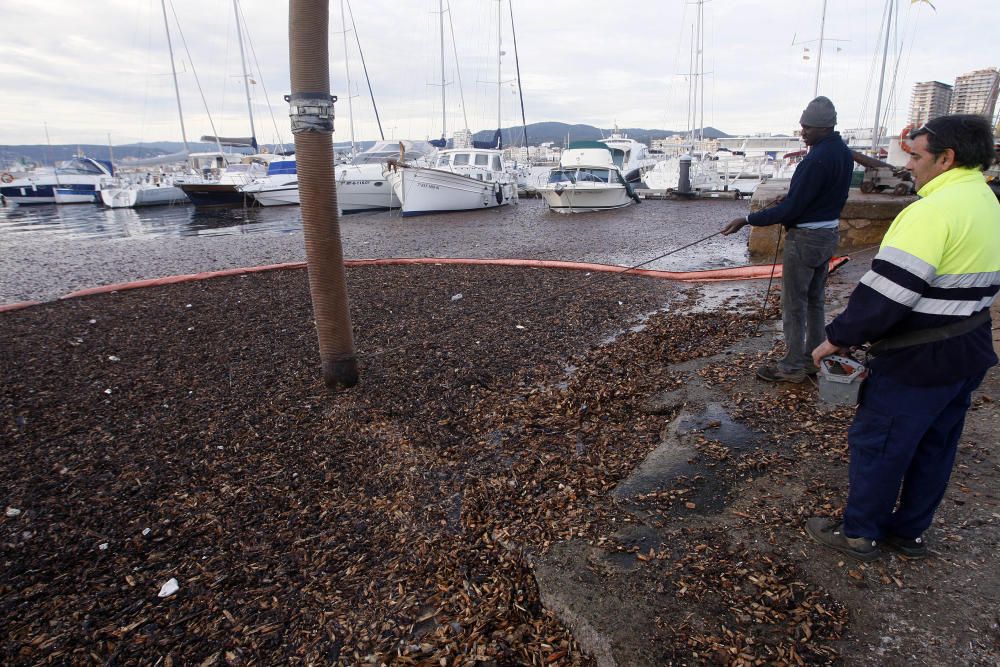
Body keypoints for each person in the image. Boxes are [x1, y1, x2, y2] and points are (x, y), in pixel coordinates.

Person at [807, 114, 1000, 562]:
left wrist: (834, 339)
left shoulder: (931, 211)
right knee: (936, 447)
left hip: (917, 361)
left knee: (881, 446)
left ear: (946, 159)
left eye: (915, 156)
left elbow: (886, 296)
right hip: (967, 350)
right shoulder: (988, 202)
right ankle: (910, 533)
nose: (908, 165)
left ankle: (861, 534)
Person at [721, 96, 854, 383]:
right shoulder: (842, 152)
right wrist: (793, 197)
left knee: (794, 303)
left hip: (806, 239)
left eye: (807, 128)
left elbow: (792, 211)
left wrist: (746, 220)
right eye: (802, 126)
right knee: (815, 300)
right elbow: (824, 195)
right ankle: (815, 356)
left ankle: (794, 366)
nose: (802, 132)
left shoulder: (816, 159)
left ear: (825, 127)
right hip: (828, 234)